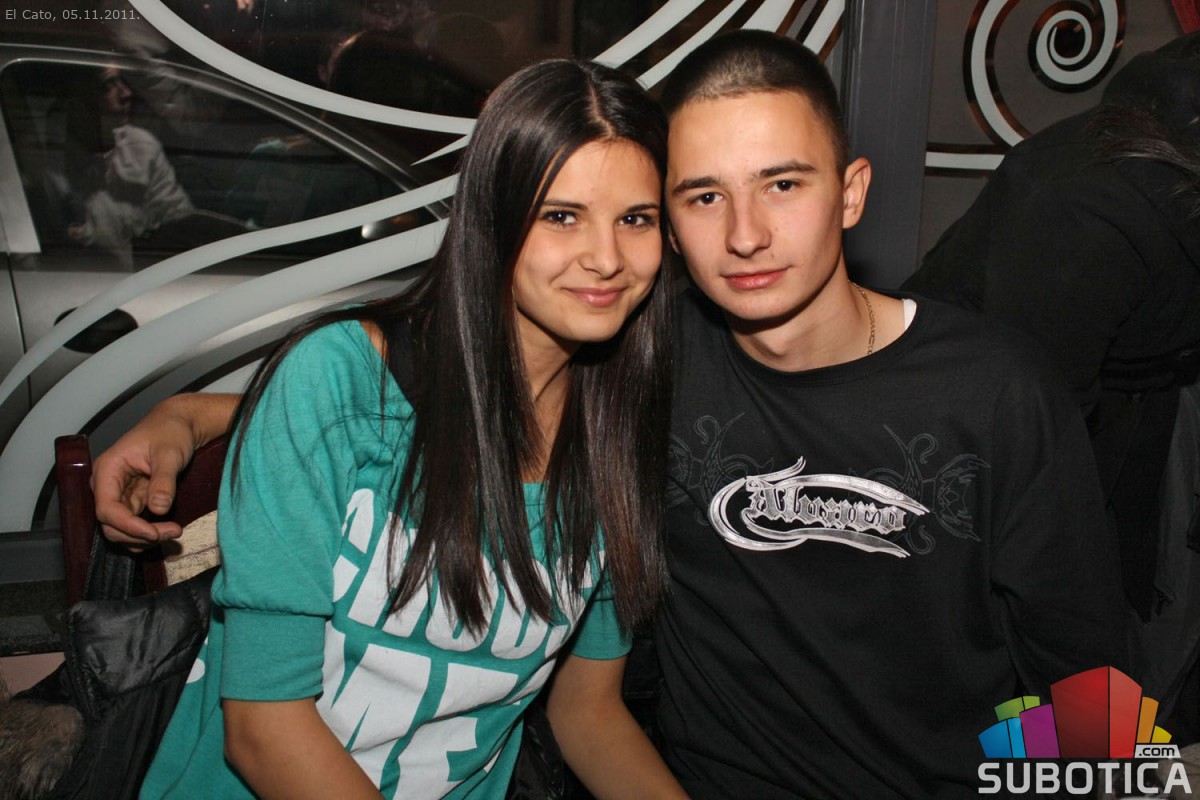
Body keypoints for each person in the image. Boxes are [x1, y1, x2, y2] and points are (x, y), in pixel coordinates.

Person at [95, 31, 1130, 798]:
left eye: (783, 184)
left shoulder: (995, 390)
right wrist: (200, 412)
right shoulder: (649, 371)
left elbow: (1097, 684)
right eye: (702, 196)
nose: (746, 234)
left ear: (851, 193)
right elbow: (417, 390)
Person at [125, 58, 687, 800]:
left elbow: (589, 712)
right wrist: (187, 412)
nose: (606, 258)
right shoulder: (339, 376)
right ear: (492, 218)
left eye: (635, 219)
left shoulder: (616, 435)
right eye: (561, 216)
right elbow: (263, 728)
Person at [904, 32, 1200, 732]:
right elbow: (1036, 470)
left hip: (1137, 380)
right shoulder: (1091, 209)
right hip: (988, 415)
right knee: (1059, 628)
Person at [63, 67, 195, 268]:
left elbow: (180, 219)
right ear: (80, 101)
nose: (126, 94)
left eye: (121, 82)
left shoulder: (142, 147)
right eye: (108, 86)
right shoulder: (50, 172)